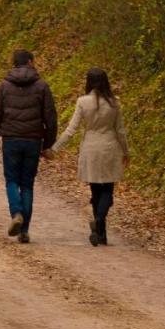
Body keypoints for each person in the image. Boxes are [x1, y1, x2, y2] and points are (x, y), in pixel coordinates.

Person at [49, 67, 129, 246]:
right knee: (108, 189)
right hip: (110, 147)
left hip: (90, 148)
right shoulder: (115, 102)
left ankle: (99, 228)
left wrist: (54, 148)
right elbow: (120, 131)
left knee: (95, 190)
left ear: (89, 82)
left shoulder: (82, 102)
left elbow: (71, 129)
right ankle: (100, 227)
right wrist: (126, 151)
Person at [0, 49, 57, 243]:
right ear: (31, 62)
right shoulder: (42, 86)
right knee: (27, 184)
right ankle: (24, 231)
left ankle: (16, 213)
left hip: (11, 139)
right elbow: (50, 118)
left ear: (13, 63)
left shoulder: (4, 86)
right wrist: (48, 144)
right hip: (33, 140)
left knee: (11, 180)